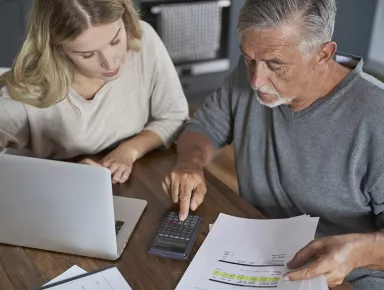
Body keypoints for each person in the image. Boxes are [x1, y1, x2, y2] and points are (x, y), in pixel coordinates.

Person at [163, 0, 384, 289]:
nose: (256, 80)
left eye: (275, 64)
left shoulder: (376, 116)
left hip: (346, 278)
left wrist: (357, 254)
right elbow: (204, 127)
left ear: (323, 54)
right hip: (258, 255)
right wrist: (189, 164)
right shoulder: (248, 77)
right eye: (248, 59)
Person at [0, 0, 188, 184]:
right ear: (57, 48)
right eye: (87, 54)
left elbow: (174, 116)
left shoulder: (143, 38)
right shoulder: (26, 93)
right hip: (49, 195)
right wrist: (64, 175)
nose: (109, 62)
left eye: (115, 41)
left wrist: (130, 151)